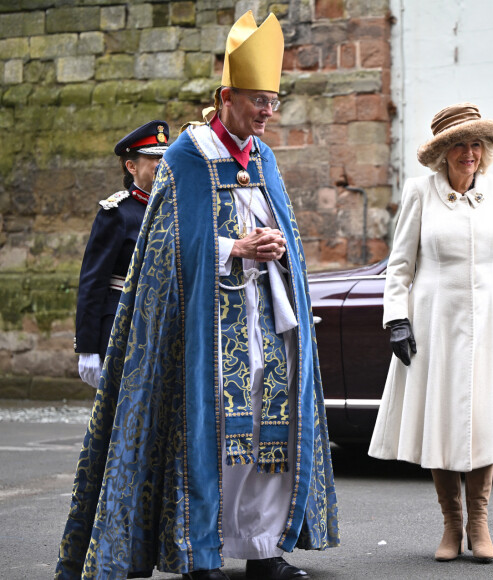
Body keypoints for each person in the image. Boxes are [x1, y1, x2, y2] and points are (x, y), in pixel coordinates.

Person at [55, 10, 339, 580]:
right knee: (209, 438)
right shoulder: (187, 155)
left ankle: (262, 547)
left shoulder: (264, 157)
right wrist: (235, 249)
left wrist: (279, 247)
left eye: (274, 101)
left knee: (265, 432)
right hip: (204, 327)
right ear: (225, 96)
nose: (267, 112)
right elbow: (162, 251)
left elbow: (281, 227)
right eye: (259, 100)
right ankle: (199, 552)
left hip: (266, 319)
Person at [368, 103, 493, 563]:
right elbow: (399, 266)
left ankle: (478, 523)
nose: (469, 153)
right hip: (433, 319)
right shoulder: (421, 191)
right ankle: (451, 525)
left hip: (490, 321)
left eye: (476, 143)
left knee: (481, 420)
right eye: (459, 144)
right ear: (443, 153)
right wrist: (396, 318)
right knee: (441, 418)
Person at [75, 120, 169, 389]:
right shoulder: (116, 212)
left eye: (165, 156)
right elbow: (93, 282)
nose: (162, 163)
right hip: (121, 326)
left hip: (162, 325)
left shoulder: (173, 209)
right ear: (132, 166)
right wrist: (87, 347)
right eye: (154, 158)